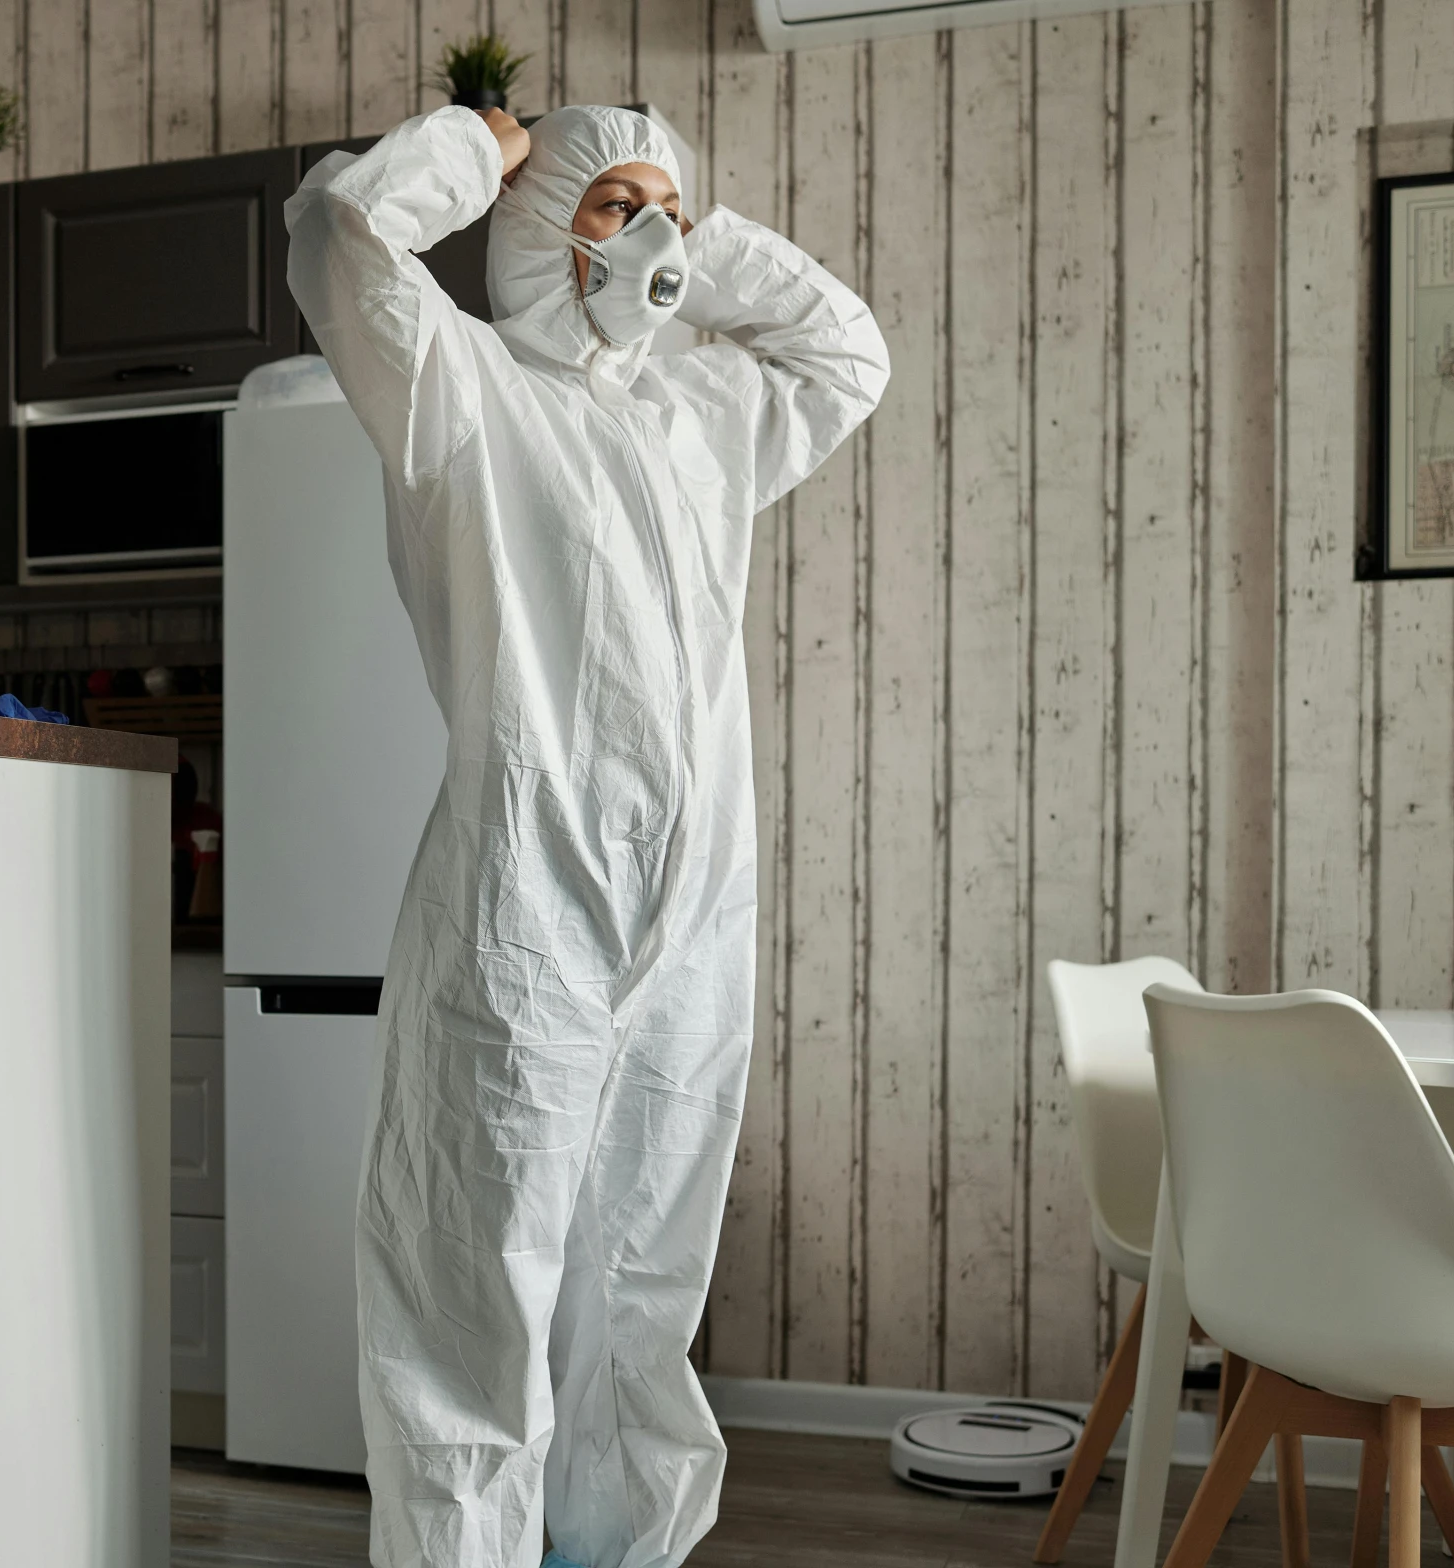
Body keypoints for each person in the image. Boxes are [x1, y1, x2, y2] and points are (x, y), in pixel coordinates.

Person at [284, 103, 889, 1568]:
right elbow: (338, 237)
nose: (653, 239)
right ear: (542, 217)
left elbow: (846, 355)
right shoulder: (464, 390)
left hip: (695, 910)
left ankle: (620, 1553)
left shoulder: (700, 415)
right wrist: (478, 147)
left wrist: (694, 236)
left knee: (640, 1283)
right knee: (472, 1288)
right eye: (615, 205)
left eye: (667, 210)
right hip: (525, 899)